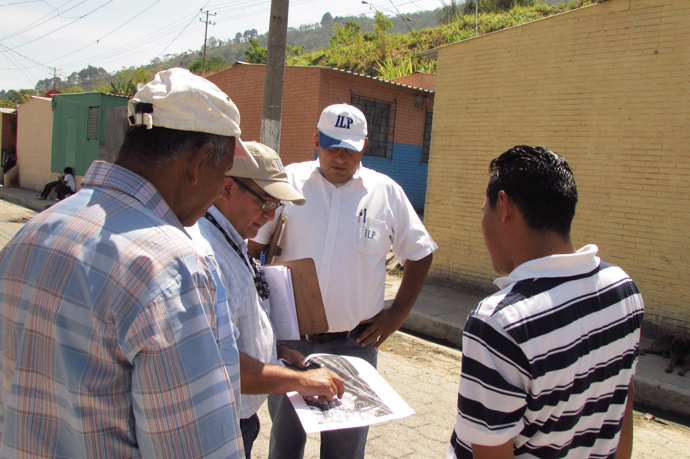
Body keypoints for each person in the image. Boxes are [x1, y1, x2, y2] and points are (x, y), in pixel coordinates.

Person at [0, 68, 257, 459]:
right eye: (222, 175)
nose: (216, 194)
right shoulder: (171, 266)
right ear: (198, 162)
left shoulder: (33, 232)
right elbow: (194, 447)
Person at [250, 103, 438, 459]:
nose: (340, 157)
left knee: (345, 450)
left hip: (355, 347)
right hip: (292, 344)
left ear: (364, 146)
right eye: (332, 146)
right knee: (286, 443)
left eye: (350, 148)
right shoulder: (288, 183)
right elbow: (253, 244)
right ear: (316, 141)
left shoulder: (385, 193)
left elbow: (420, 252)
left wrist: (396, 313)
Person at [446, 146, 644, 459]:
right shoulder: (623, 289)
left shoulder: (500, 323)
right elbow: (623, 402)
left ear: (504, 205)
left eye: (483, 210)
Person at [188, 141, 345, 458]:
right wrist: (301, 381)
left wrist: (275, 350)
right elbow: (223, 363)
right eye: (264, 202)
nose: (270, 214)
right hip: (217, 425)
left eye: (277, 205)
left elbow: (237, 323)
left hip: (237, 420)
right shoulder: (206, 252)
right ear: (227, 188)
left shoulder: (230, 237)